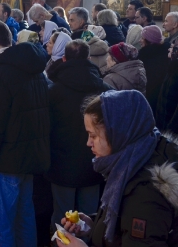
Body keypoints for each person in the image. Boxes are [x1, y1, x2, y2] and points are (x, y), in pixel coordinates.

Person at [58, 90, 178, 247]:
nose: (88, 143)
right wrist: (93, 225)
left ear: (118, 135)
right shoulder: (135, 161)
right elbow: (125, 226)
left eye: (93, 135)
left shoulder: (145, 192)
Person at [0, 21, 50, 247]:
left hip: (6, 160)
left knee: (2, 224)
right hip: (31, 156)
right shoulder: (35, 68)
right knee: (25, 217)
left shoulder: (1, 72)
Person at [46, 40, 112, 231]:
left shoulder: (53, 92)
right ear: (89, 58)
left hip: (61, 163)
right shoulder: (105, 91)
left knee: (62, 217)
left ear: (64, 59)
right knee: (89, 218)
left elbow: (46, 128)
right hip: (93, 162)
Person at [138, 25, 169, 117]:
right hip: (164, 96)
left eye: (142, 38)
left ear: (149, 40)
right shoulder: (167, 52)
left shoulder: (145, 56)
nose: (140, 40)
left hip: (151, 96)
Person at [154, 40, 178, 134]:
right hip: (164, 125)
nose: (169, 49)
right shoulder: (173, 67)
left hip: (170, 131)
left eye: (172, 47)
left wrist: (169, 132)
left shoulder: (175, 71)